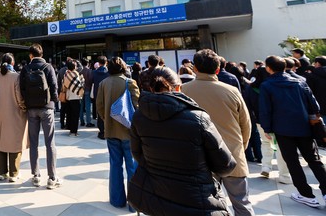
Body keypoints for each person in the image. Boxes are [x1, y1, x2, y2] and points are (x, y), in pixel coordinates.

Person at [128, 67, 236, 215]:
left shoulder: (139, 116)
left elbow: (137, 154)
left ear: (151, 89)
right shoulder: (198, 118)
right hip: (197, 200)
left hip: (158, 197)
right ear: (179, 87)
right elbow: (225, 164)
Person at [181, 49, 254, 216]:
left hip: (199, 158)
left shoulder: (183, 91)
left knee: (208, 207)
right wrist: (240, 148)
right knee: (242, 204)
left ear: (195, 68)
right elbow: (246, 125)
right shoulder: (232, 91)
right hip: (232, 154)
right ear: (218, 69)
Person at [259, 55, 326, 209]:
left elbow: (265, 110)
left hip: (282, 129)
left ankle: (306, 195)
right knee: (314, 160)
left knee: (292, 162)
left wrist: (267, 128)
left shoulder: (267, 85)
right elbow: (314, 105)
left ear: (268, 68)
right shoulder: (300, 81)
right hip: (304, 126)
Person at [96, 56, 140, 209]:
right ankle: (133, 203)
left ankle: (116, 200)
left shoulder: (103, 84)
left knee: (115, 165)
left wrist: (107, 119)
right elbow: (137, 107)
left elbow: (99, 106)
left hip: (110, 130)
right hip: (129, 131)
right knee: (132, 167)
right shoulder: (130, 82)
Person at [19, 43, 61, 189]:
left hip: (31, 109)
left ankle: (36, 175)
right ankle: (52, 177)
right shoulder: (48, 67)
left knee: (34, 142)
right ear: (41, 54)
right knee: (50, 142)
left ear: (31, 55)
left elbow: (22, 89)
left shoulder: (26, 69)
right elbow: (54, 86)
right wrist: (53, 102)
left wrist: (28, 101)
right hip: (46, 108)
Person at [0, 53, 27, 182]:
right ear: (12, 63)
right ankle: (14, 173)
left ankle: (2, 172)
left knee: (1, 141)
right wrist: (24, 108)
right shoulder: (16, 76)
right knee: (15, 141)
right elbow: (19, 97)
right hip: (14, 113)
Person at [63, 59, 83, 136]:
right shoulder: (76, 74)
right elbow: (80, 86)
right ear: (74, 67)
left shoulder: (66, 75)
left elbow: (64, 85)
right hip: (76, 97)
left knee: (70, 114)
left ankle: (70, 129)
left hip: (68, 97)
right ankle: (74, 131)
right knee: (75, 115)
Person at [93, 56, 110, 139]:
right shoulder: (109, 73)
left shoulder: (94, 72)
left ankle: (101, 131)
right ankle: (108, 130)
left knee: (100, 112)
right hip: (107, 94)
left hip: (97, 94)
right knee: (108, 112)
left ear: (98, 63)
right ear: (106, 62)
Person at [79, 59, 94, 127]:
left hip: (81, 90)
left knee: (81, 107)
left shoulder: (80, 71)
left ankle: (82, 121)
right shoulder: (89, 71)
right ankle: (88, 122)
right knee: (88, 107)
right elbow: (91, 81)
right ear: (88, 63)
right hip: (88, 90)